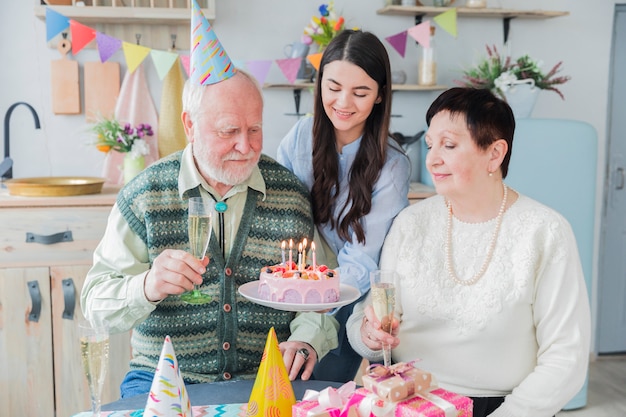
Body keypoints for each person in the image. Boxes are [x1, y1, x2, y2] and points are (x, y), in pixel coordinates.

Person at [81, 69, 339, 398]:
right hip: (161, 378)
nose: (245, 146)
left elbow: (324, 297)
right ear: (190, 125)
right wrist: (147, 286)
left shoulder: (290, 196)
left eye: (255, 129)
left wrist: (307, 340)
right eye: (229, 131)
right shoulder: (145, 194)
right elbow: (95, 304)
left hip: (265, 380)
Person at [346, 87, 591, 417]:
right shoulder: (410, 223)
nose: (432, 158)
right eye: (430, 144)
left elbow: (566, 357)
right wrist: (371, 335)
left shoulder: (544, 231)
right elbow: (368, 319)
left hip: (502, 408)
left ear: (494, 153)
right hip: (406, 401)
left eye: (448, 145)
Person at [276, 29, 411, 383]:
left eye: (361, 92)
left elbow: (364, 258)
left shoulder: (393, 165)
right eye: (333, 88)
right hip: (294, 287)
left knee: (321, 392)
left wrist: (319, 300)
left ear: (381, 95)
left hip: (348, 299)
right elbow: (279, 212)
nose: (343, 103)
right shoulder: (300, 138)